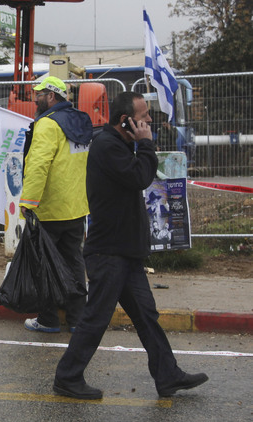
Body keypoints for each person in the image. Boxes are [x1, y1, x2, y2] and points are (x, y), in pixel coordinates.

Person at [53, 91, 208, 400]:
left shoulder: (120, 145)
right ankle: (67, 377)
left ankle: (167, 376)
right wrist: (147, 145)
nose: (149, 121)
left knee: (147, 317)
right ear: (126, 120)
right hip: (109, 253)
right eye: (144, 116)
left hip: (125, 252)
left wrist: (142, 145)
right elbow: (140, 177)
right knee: (96, 318)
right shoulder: (109, 147)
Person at [19, 76, 92, 334]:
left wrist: (28, 201)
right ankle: (78, 319)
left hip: (49, 208)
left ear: (51, 96)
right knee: (74, 263)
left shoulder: (48, 124)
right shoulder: (80, 121)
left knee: (44, 264)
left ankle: (48, 319)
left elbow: (38, 165)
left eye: (38, 93)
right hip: (76, 207)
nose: (34, 98)